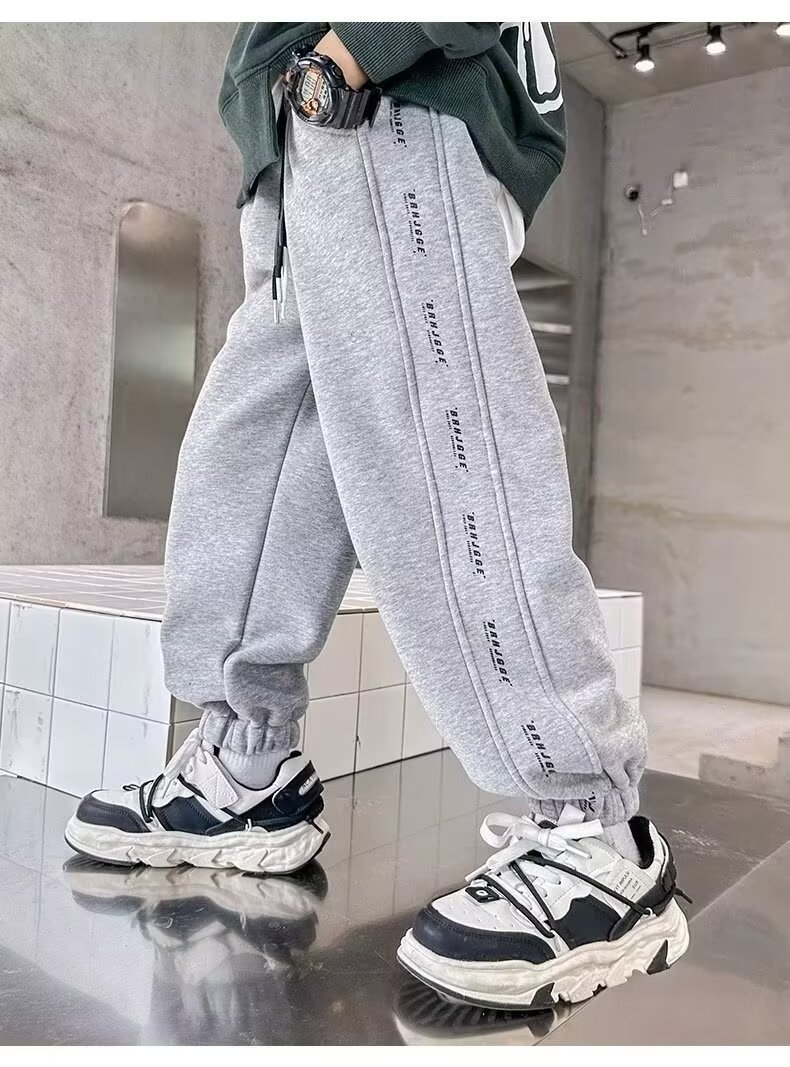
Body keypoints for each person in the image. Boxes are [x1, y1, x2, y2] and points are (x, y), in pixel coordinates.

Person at [66, 22, 689, 1009]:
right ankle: (244, 768)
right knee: (254, 457)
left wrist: (356, 47)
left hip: (390, 94)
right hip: (295, 139)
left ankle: (597, 833)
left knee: (440, 458)